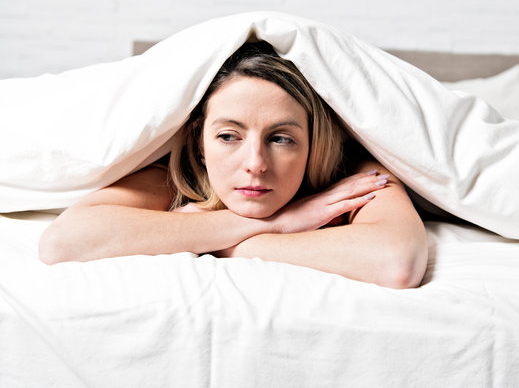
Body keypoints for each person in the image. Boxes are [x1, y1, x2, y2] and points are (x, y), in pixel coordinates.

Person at [39, 41, 428, 289]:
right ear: (200, 143)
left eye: (281, 138)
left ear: (313, 145)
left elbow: (396, 262)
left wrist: (225, 245)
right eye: (228, 136)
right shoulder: (178, 176)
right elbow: (63, 242)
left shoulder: (358, 176)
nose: (255, 164)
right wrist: (278, 222)